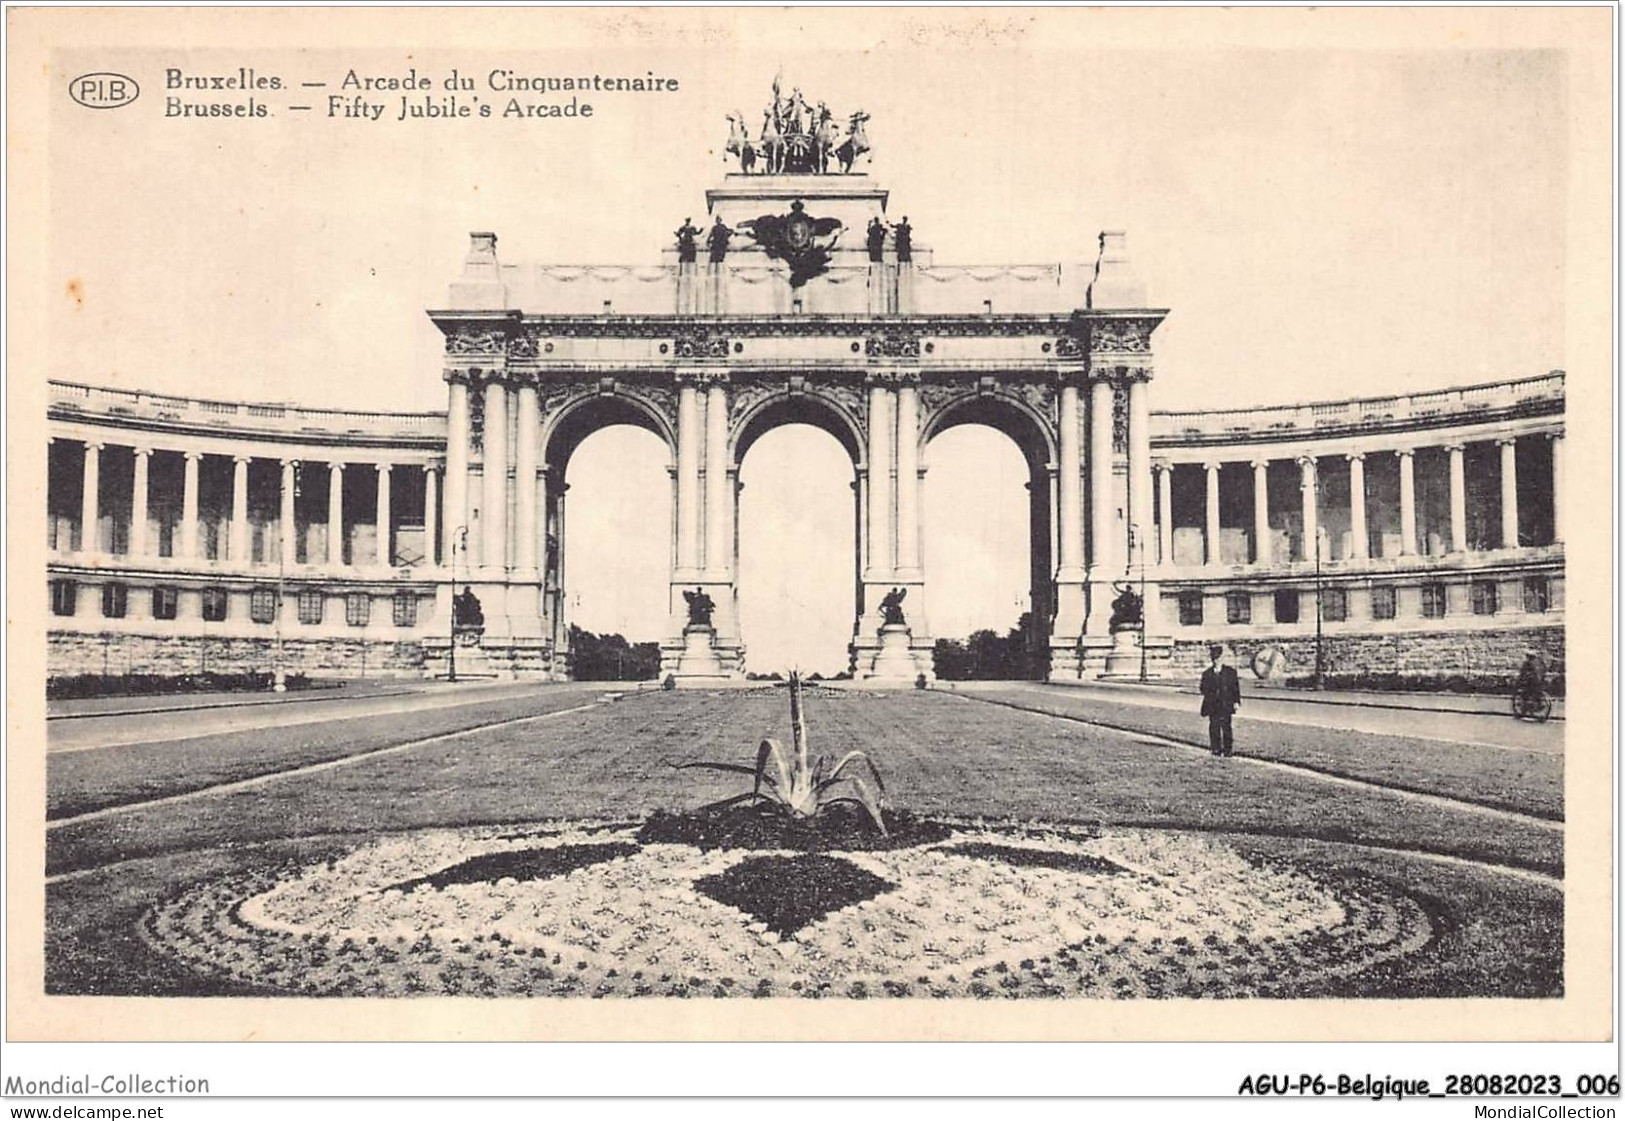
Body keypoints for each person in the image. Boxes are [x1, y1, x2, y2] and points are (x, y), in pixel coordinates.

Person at [1199, 643, 1241, 757]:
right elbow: (1202, 689)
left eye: (1217, 658)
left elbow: (1235, 688)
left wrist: (1236, 702)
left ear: (1221, 658)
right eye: (1213, 658)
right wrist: (1210, 693)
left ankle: (1228, 749)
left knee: (1226, 727)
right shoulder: (1207, 674)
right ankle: (1216, 748)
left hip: (1226, 704)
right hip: (1213, 705)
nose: (1215, 660)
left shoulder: (1230, 672)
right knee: (1214, 727)